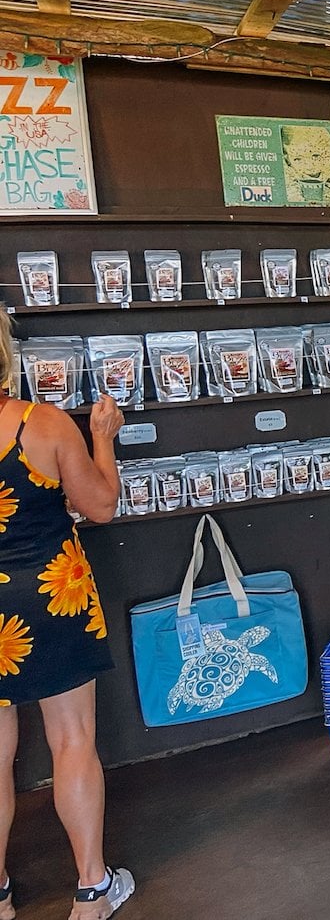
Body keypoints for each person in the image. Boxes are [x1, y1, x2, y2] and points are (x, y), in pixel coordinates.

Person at [0, 314, 135, 920]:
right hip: (52, 595)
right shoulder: (42, 424)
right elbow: (100, 505)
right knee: (73, 739)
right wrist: (103, 434)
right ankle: (91, 892)